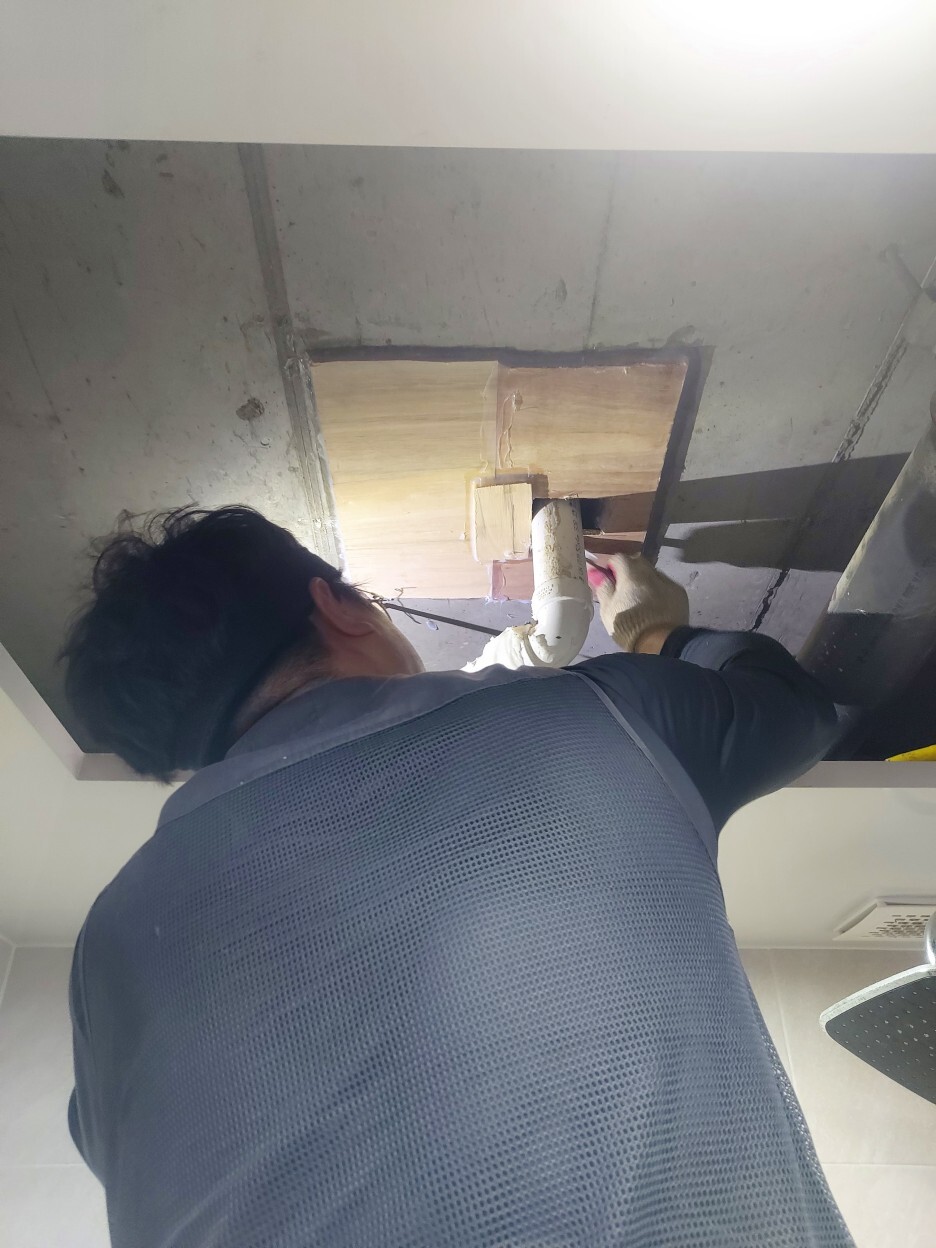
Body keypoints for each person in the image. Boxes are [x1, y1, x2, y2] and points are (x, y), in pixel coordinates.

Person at [63, 505, 853, 1248]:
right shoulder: (590, 715)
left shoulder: (109, 941)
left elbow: (118, 1144)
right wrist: (657, 631)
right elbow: (793, 706)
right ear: (336, 607)